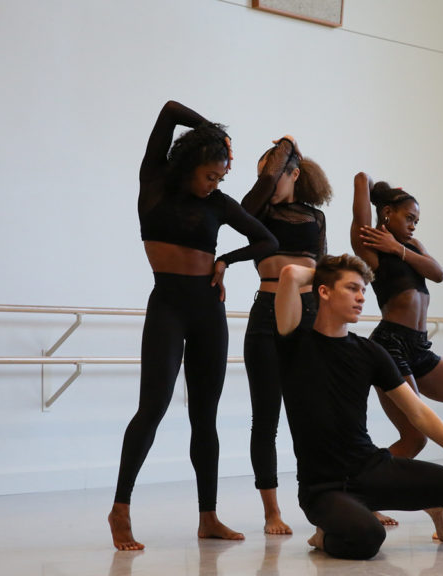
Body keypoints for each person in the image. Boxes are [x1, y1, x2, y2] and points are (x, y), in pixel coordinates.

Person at [108, 100, 278, 550]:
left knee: (205, 417)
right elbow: (166, 112)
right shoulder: (155, 183)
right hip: (167, 306)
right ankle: (120, 509)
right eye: (211, 175)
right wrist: (213, 132)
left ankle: (208, 517)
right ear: (193, 163)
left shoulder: (219, 203)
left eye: (221, 179)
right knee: (154, 405)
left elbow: (267, 239)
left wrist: (225, 260)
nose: (215, 185)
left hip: (208, 311)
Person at [275, 255, 443, 560]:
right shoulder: (294, 342)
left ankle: (429, 507)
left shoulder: (370, 352)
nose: (362, 297)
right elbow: (289, 273)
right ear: (324, 291)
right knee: (368, 537)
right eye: (352, 288)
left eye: (363, 290)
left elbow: (418, 411)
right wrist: (323, 272)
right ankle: (324, 536)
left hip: (371, 469)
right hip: (323, 487)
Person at [350, 172, 443, 523]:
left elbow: (437, 273)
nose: (413, 226)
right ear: (387, 213)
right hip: (390, 345)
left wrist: (401, 248)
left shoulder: (411, 249)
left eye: (417, 221)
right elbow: (360, 207)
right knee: (415, 437)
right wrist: (365, 181)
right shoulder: (372, 249)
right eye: (408, 218)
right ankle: (359, 495)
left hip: (419, 348)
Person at [240, 136, 331, 535]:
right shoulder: (256, 212)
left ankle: (333, 500)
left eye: (273, 175)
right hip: (265, 314)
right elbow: (246, 206)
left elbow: (325, 269)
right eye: (261, 175)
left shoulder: (315, 217)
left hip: (311, 315)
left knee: (317, 415)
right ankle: (271, 512)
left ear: (293, 174)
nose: (266, 181)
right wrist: (282, 149)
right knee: (266, 419)